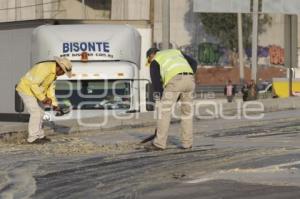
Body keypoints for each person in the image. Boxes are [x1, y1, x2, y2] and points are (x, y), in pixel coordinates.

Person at [145, 48, 197, 151]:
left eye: (149, 60)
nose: (150, 62)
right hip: (190, 80)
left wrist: (161, 98)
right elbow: (194, 62)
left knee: (164, 112)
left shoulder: (155, 60)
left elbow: (156, 84)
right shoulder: (176, 52)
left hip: (174, 81)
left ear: (151, 55)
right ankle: (187, 143)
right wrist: (187, 76)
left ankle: (159, 143)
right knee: (187, 114)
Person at [16, 57, 72, 144]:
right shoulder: (45, 68)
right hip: (26, 89)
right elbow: (33, 85)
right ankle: (33, 138)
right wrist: (44, 98)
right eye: (63, 72)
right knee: (35, 112)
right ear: (59, 68)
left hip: (36, 92)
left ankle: (40, 135)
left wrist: (54, 104)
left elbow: (50, 89)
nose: (62, 74)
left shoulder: (53, 74)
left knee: (41, 112)